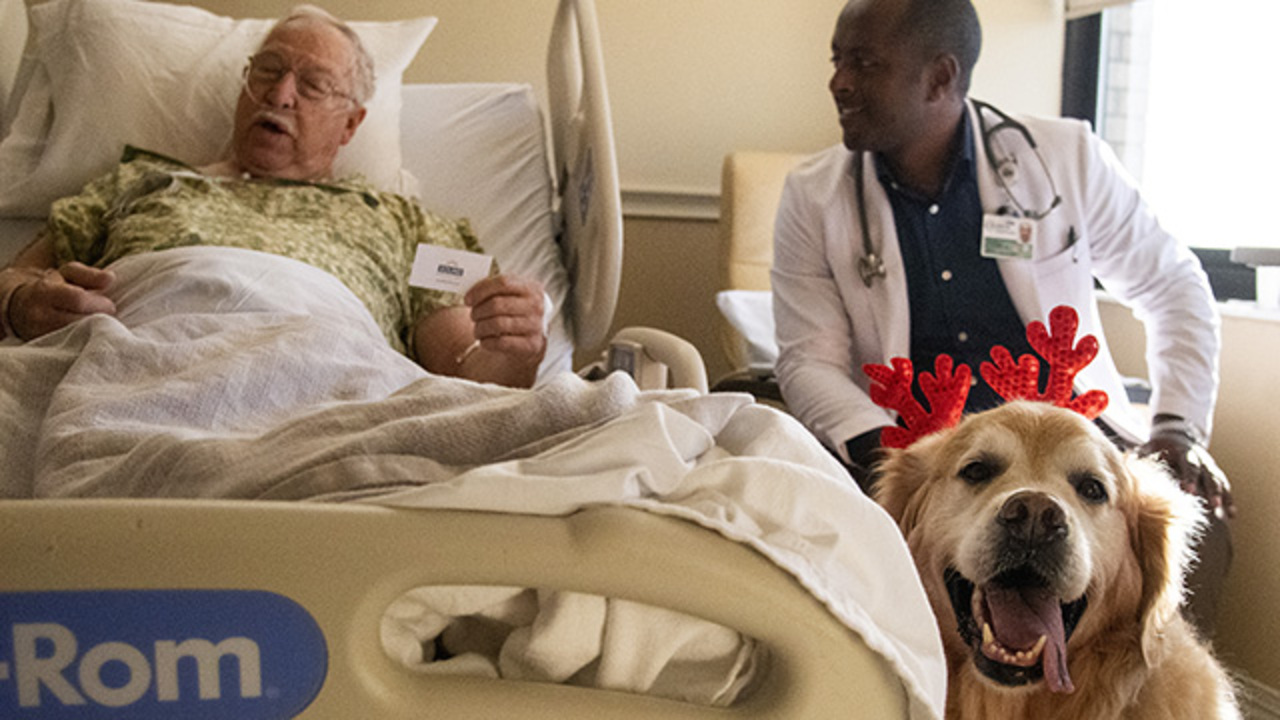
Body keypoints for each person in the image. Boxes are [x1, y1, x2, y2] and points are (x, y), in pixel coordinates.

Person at [771, 0, 1233, 635]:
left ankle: (1143, 673)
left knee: (1200, 525)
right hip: (925, 453)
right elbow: (808, 360)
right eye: (838, 61)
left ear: (940, 77)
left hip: (1073, 443)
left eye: (865, 63)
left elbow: (1173, 284)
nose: (839, 83)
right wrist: (900, 464)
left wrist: (1178, 427)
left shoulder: (1066, 159)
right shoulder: (813, 196)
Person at [0, 5, 546, 389]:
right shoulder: (137, 182)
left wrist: (515, 349)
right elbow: (15, 279)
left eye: (313, 85)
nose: (280, 95)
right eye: (268, 71)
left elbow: (466, 373)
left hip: (326, 379)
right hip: (131, 364)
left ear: (351, 125)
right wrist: (21, 304)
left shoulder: (407, 223)